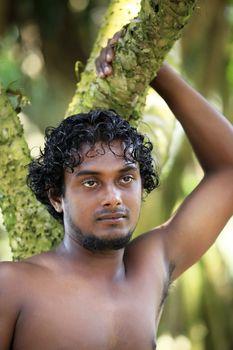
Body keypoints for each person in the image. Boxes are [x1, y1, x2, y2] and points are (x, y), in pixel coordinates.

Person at [0, 34, 233, 350]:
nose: (113, 197)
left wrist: (156, 70)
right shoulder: (12, 286)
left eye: (125, 179)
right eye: (91, 182)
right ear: (57, 197)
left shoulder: (150, 268)